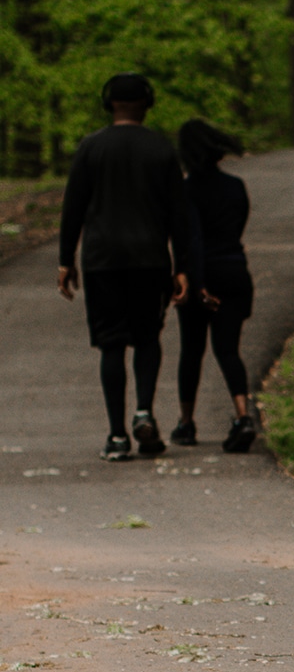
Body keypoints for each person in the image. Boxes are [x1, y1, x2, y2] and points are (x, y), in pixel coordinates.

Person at [58, 72, 189, 461]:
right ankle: (144, 411)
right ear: (147, 105)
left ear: (108, 103)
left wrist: (66, 259)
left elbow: (73, 207)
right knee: (147, 338)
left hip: (102, 261)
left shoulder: (90, 148)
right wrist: (182, 265)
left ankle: (116, 435)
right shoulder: (161, 150)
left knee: (110, 344)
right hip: (149, 259)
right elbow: (178, 214)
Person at [170, 119, 256, 454]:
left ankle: (186, 422)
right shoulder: (236, 187)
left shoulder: (187, 190)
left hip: (200, 277)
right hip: (236, 271)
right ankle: (242, 415)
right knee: (228, 349)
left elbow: (192, 238)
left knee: (192, 350)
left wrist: (196, 281)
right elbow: (237, 227)